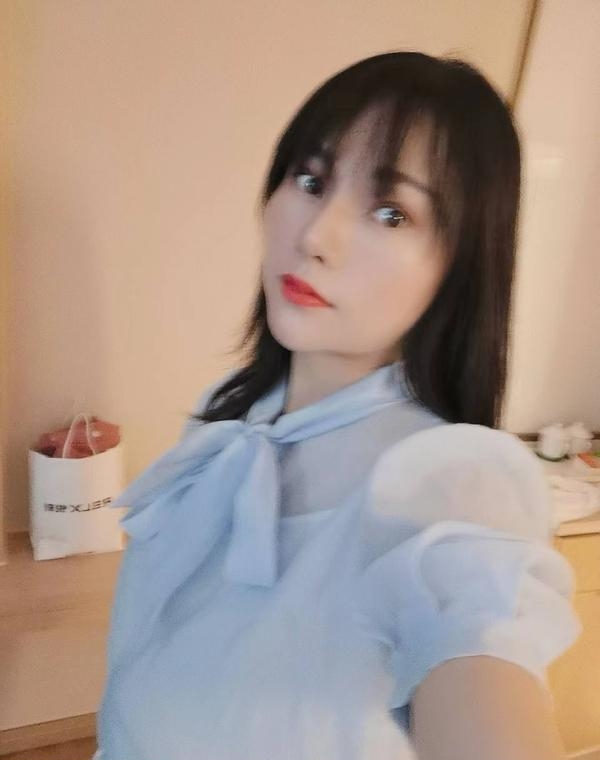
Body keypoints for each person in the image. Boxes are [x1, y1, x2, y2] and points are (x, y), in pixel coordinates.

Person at [93, 51, 582, 760]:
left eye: (391, 213)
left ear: (460, 266)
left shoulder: (452, 483)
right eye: (311, 180)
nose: (315, 236)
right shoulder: (233, 411)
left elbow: (481, 661)